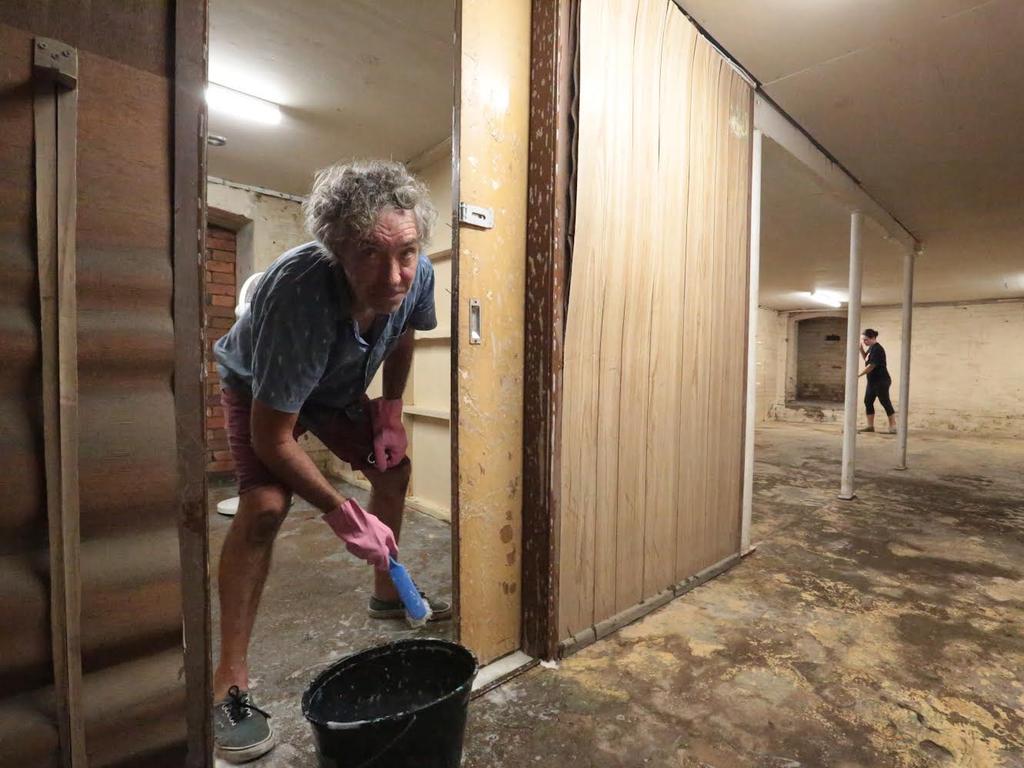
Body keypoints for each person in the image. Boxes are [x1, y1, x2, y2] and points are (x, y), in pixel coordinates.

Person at [210, 159, 451, 763]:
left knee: (393, 468)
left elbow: (401, 335)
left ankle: (387, 596)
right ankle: (229, 683)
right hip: (260, 387)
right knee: (265, 505)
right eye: (370, 254)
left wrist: (390, 412)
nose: (395, 275)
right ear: (337, 249)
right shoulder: (299, 289)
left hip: (338, 384)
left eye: (408, 252)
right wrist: (343, 513)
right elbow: (275, 438)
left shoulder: (413, 274)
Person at [857, 328, 896, 434]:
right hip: (872, 381)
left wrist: (858, 375)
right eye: (863, 340)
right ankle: (870, 426)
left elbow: (871, 366)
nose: (864, 342)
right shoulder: (871, 348)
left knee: (885, 402)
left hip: (881, 380)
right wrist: (861, 350)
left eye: (865, 340)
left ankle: (893, 427)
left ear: (873, 338)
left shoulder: (877, 349)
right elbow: (867, 359)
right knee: (868, 401)